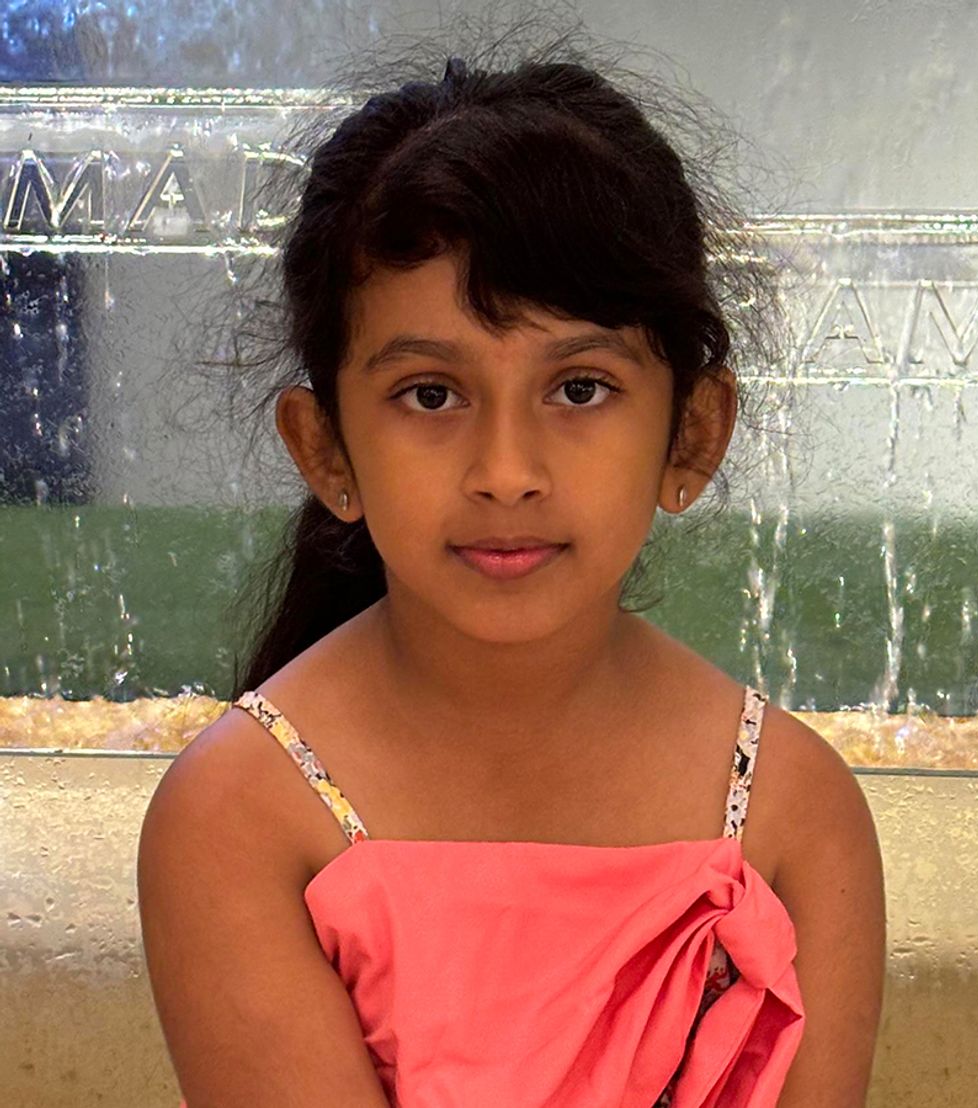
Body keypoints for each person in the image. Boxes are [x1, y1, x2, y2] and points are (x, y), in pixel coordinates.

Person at [137, 26, 886, 1108]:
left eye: (579, 388)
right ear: (326, 450)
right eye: (430, 394)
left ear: (690, 435)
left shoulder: (791, 813)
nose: (505, 472)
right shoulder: (244, 815)